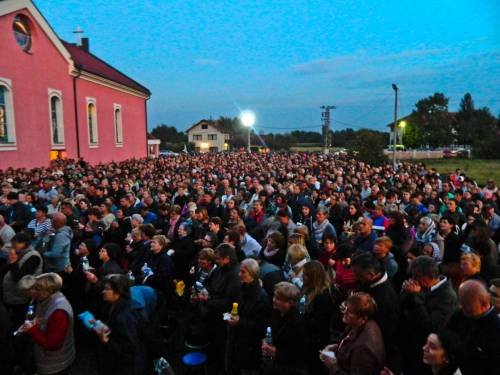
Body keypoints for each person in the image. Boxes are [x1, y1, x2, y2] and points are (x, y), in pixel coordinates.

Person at [399, 256, 458, 375]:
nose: (413, 279)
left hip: (426, 354)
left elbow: (431, 327)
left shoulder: (447, 297)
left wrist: (415, 297)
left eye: (416, 276)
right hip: (410, 347)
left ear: (428, 277)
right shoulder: (421, 286)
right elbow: (401, 306)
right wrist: (406, 292)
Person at [351, 251, 400, 370]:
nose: (356, 279)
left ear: (371, 274)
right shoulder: (368, 281)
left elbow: (385, 334)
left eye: (359, 276)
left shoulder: (386, 299)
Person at [19, 273, 75, 375]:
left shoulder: (59, 312)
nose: (32, 292)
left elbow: (53, 344)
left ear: (45, 291)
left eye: (36, 289)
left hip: (56, 365)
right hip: (47, 359)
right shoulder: (44, 300)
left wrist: (33, 329)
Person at [95, 274, 149, 375]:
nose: (103, 291)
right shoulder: (119, 304)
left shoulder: (124, 316)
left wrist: (106, 340)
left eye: (107, 289)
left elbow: (129, 347)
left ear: (118, 292)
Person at [320, 292, 385, 374]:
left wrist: (333, 365)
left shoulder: (363, 350)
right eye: (346, 307)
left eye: (350, 312)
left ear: (363, 319)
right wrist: (337, 349)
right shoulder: (357, 324)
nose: (344, 312)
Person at [227, 258, 271, 375]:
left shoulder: (261, 297)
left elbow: (261, 326)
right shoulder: (242, 289)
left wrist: (240, 322)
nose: (239, 274)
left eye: (243, 272)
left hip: (249, 347)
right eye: (240, 271)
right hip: (237, 342)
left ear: (252, 274)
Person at [446, 280, 500, 374]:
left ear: (483, 304)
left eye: (466, 304)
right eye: (461, 301)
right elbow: (445, 335)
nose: (460, 306)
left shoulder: (495, 330)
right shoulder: (461, 314)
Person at [261, 282, 308, 375]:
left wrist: (276, 352)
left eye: (278, 298)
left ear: (290, 302)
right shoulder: (276, 313)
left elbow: (300, 352)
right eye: (274, 296)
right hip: (273, 366)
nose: (274, 300)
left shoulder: (298, 322)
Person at [301, 261, 339, 375]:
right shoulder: (311, 289)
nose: (302, 276)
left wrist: (304, 318)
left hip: (318, 342)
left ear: (313, 277)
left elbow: (321, 323)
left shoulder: (322, 296)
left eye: (305, 274)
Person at [2, 232, 43, 325]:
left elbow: (20, 278)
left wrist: (13, 262)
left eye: (15, 244)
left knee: (16, 321)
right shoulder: (20, 253)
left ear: (23, 243)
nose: (13, 247)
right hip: (11, 295)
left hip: (20, 298)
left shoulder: (33, 256)